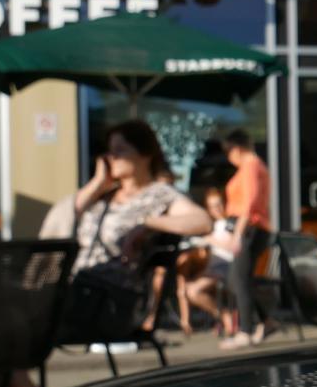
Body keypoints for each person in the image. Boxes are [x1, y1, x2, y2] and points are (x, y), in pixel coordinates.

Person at [62, 120, 211, 339]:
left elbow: (202, 221)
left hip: (110, 300)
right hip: (75, 290)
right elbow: (62, 220)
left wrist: (148, 222)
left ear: (145, 154)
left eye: (120, 151)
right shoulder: (102, 196)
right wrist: (97, 182)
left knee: (23, 315)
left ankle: (16, 374)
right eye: (109, 152)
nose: (111, 158)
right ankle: (18, 375)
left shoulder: (159, 194)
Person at [220, 129, 272, 349]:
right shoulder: (255, 165)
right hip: (253, 227)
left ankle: (246, 331)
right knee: (239, 279)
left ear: (236, 149)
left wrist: (238, 234)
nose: (228, 158)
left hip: (250, 228)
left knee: (239, 280)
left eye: (228, 152)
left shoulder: (250, 165)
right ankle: (266, 321)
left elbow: (249, 203)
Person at [178, 186, 236, 336]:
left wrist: (209, 240)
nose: (217, 209)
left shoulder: (231, 222)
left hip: (228, 267)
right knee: (185, 286)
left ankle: (223, 316)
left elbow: (232, 246)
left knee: (192, 290)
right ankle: (188, 321)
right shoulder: (213, 226)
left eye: (219, 204)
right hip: (213, 267)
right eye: (212, 206)